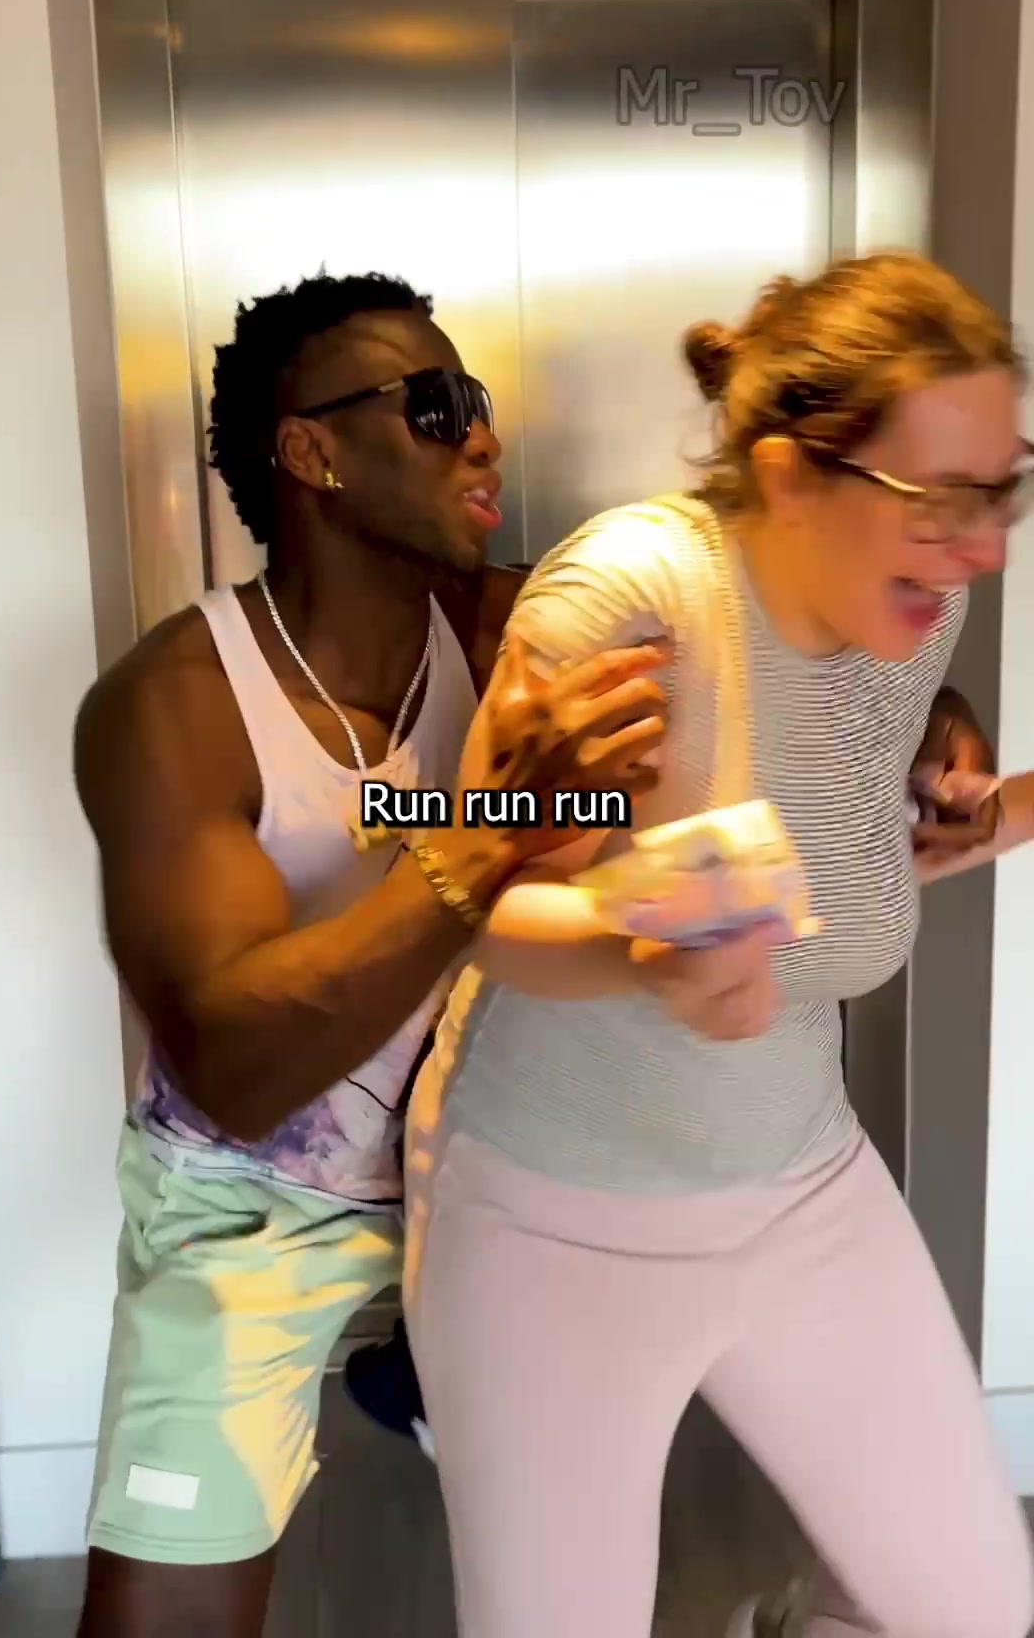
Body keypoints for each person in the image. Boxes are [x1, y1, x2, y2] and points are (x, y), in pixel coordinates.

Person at [403, 251, 1034, 1638]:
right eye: (941, 498)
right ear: (792, 477)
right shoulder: (627, 603)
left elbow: (856, 830)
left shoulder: (917, 607)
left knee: (974, 1611)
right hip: (552, 1219)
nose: (986, 547)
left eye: (1006, 490)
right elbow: (484, 897)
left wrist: (995, 808)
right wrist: (643, 944)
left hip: (803, 1187)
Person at [72, 270, 671, 1638]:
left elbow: (744, 661)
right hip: (254, 1208)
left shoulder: (506, 635)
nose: (484, 436)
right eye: (436, 405)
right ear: (311, 450)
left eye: (478, 400)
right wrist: (480, 841)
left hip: (492, 1170)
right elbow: (234, 1068)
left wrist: (920, 742)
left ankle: (428, 1366)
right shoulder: (174, 707)